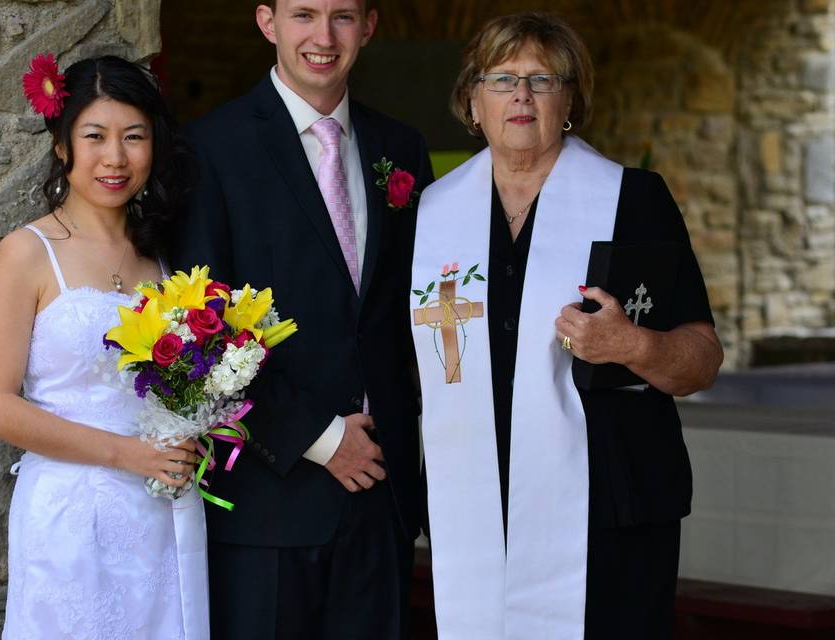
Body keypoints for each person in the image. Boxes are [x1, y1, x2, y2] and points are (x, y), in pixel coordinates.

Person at [410, 12, 723, 640]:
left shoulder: (633, 200)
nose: (521, 96)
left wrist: (630, 344)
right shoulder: (430, 214)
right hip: (478, 498)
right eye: (502, 80)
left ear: (570, 100)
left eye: (543, 80)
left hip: (611, 503)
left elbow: (702, 357)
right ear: (472, 100)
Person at [171, 1, 433, 638]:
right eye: (304, 15)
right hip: (269, 499)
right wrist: (319, 438)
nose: (324, 37)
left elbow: (416, 312)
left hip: (383, 493)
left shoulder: (400, 147)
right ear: (267, 23)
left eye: (343, 16)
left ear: (369, 26)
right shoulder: (208, 150)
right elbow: (195, 335)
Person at [0, 55, 206, 639]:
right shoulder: (27, 252)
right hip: (69, 517)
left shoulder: (164, 261)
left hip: (161, 511)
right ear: (61, 143)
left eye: (134, 137)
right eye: (95, 136)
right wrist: (128, 455)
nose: (116, 158)